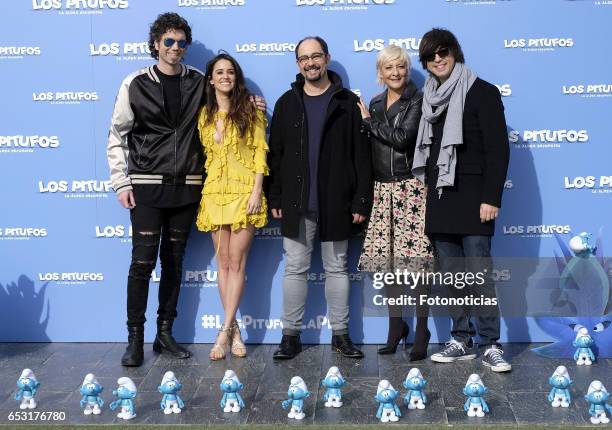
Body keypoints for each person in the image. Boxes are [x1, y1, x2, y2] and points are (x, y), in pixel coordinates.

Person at [107, 13, 204, 367]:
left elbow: (225, 108)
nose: (175, 48)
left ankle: (165, 334)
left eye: (181, 43)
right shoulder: (135, 82)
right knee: (142, 264)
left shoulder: (200, 82)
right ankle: (135, 338)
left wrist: (250, 104)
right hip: (146, 187)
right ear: (155, 45)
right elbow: (117, 136)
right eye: (169, 42)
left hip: (188, 188)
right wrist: (121, 181)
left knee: (175, 263)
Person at [267, 36, 373, 359]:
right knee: (295, 269)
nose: (310, 63)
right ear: (298, 64)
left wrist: (360, 201)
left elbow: (362, 157)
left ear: (327, 58)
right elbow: (276, 156)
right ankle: (290, 336)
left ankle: (341, 335)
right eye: (304, 58)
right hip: (297, 204)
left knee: (337, 269)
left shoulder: (347, 104)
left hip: (337, 203)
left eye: (316, 56)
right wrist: (276, 196)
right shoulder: (287, 103)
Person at [411, 28, 511, 372]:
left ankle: (491, 343)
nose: (438, 59)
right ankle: (461, 339)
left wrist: (491, 198)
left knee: (479, 276)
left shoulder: (482, 92)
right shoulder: (428, 98)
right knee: (453, 277)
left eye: (443, 52)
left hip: (474, 200)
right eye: (430, 55)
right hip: (441, 199)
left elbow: (498, 150)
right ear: (425, 62)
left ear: (455, 53)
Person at [357, 45, 433, 360]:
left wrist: (367, 121)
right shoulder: (375, 103)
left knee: (415, 263)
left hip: (410, 188)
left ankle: (423, 328)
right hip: (381, 190)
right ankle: (395, 327)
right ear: (381, 73)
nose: (396, 73)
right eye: (389, 68)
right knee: (389, 266)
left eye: (400, 66)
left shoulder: (417, 99)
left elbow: (403, 138)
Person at [196, 53, 268, 360]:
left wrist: (256, 191)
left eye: (230, 72)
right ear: (211, 79)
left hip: (243, 194)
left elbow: (260, 156)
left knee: (237, 263)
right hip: (213, 194)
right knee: (222, 263)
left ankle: (222, 333)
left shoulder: (252, 111)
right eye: (219, 72)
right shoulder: (203, 115)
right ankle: (233, 329)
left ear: (236, 78)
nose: (225, 76)